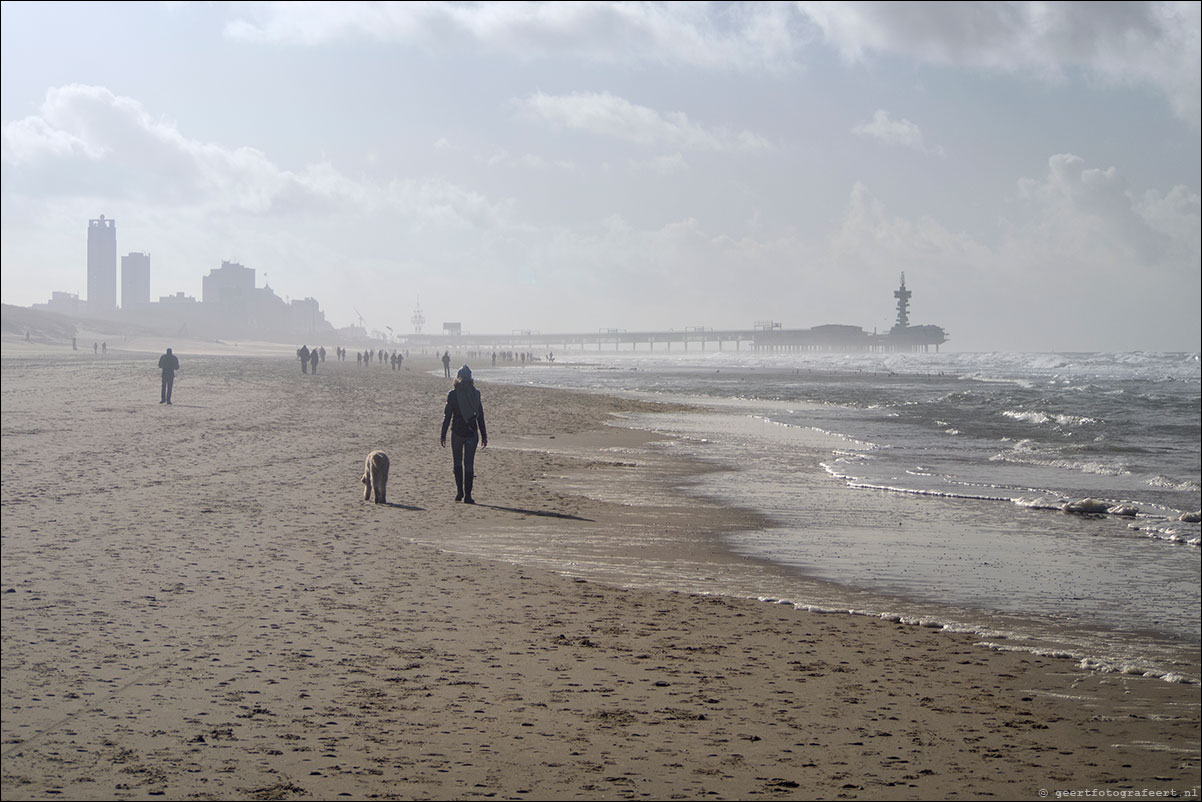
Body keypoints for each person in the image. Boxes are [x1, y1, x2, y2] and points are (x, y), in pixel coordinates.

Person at [440, 365, 487, 503]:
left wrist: (443, 434)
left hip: (457, 433)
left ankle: (459, 492)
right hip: (471, 433)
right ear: (471, 378)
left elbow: (447, 416)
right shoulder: (476, 394)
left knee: (457, 462)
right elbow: (480, 416)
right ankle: (468, 495)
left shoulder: (452, 394)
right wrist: (484, 435)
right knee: (469, 464)